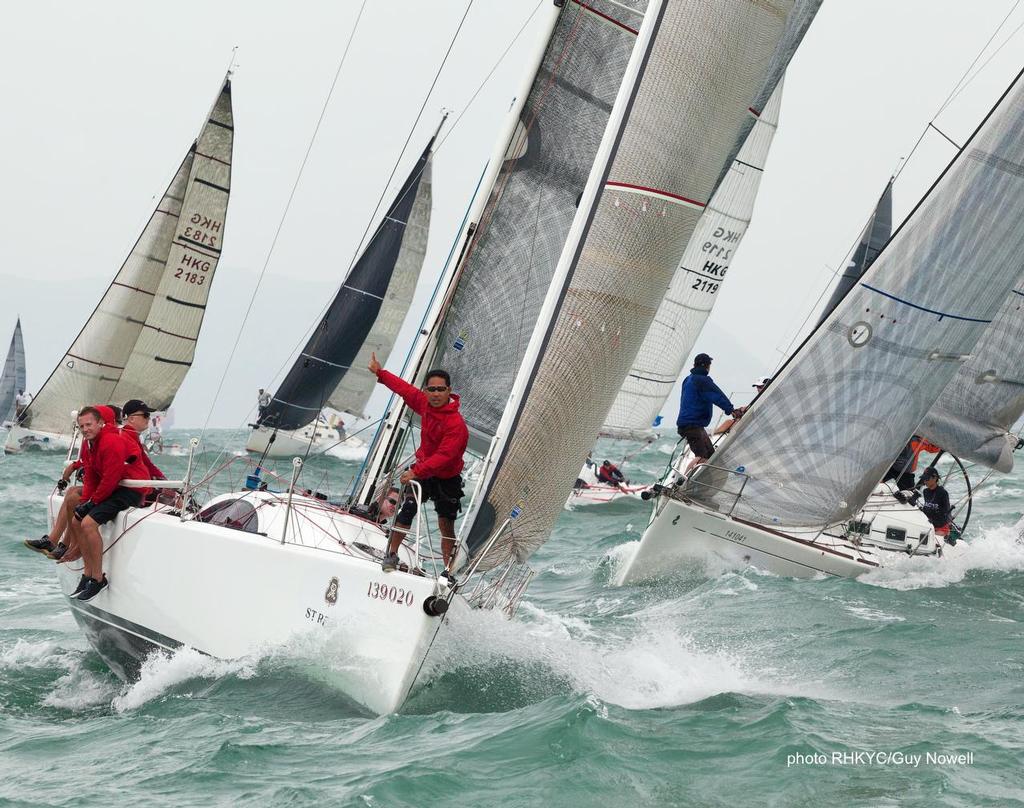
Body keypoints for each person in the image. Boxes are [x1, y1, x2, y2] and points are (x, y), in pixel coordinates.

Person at [368, 351, 468, 573]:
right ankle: (391, 555)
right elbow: (404, 389)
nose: (435, 393)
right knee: (407, 509)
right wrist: (380, 373)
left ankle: (448, 571)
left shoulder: (456, 424)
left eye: (440, 389)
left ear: (449, 391)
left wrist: (416, 471)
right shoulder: (424, 404)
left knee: (445, 524)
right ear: (426, 391)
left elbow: (445, 456)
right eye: (431, 389)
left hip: (447, 476)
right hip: (424, 472)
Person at [64, 405, 151, 601]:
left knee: (87, 523)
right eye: (82, 426)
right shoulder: (89, 444)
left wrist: (92, 502)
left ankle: (98, 578)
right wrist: (85, 502)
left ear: (101, 423)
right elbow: (93, 477)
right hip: (114, 489)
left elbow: (111, 478)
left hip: (130, 491)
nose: (85, 429)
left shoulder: (110, 441)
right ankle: (87, 574)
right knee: (78, 519)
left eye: (89, 424)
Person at [676, 353, 744, 472]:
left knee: (710, 457)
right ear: (707, 366)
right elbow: (717, 396)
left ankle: (686, 483)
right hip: (692, 425)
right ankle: (680, 485)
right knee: (702, 456)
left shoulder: (688, 379)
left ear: (694, 365)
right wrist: (731, 410)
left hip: (692, 425)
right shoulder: (702, 380)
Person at [121, 399, 166, 503]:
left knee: (173, 493)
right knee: (175, 499)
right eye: (145, 415)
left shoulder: (132, 437)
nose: (148, 418)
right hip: (131, 491)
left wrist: (163, 481)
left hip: (138, 487)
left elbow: (147, 465)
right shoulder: (125, 439)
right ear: (131, 418)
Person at [900, 467, 953, 540]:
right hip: (928, 526)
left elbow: (947, 513)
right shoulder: (925, 492)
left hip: (940, 528)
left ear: (934, 478)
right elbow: (927, 508)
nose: (925, 482)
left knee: (928, 539)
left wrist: (934, 520)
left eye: (927, 479)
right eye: (924, 479)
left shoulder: (943, 493)